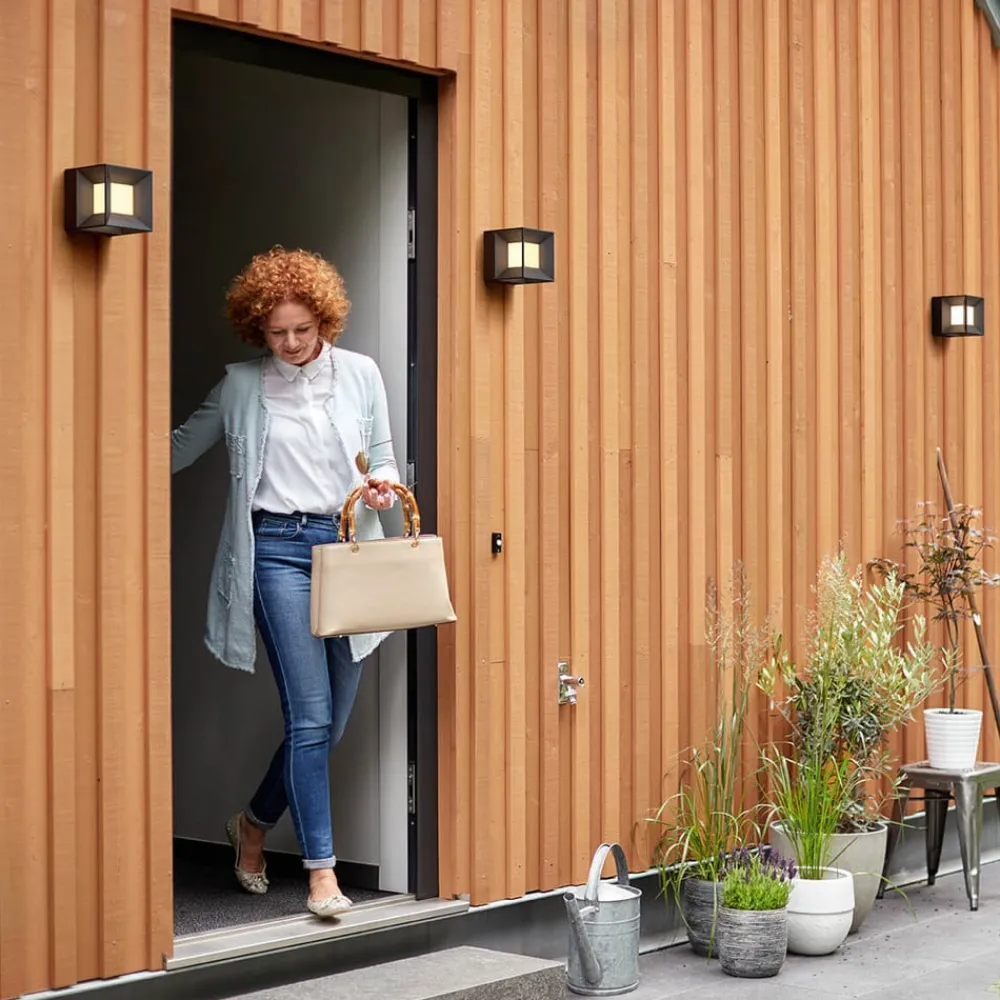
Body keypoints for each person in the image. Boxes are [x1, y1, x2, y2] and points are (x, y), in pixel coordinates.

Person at [171, 246, 399, 919]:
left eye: (304, 329)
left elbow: (384, 459)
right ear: (257, 329)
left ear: (324, 318)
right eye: (277, 333)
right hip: (275, 551)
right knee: (310, 716)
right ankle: (321, 873)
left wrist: (384, 488)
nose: (293, 343)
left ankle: (252, 824)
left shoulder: (360, 373)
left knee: (328, 725)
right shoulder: (242, 385)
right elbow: (178, 448)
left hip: (348, 548)